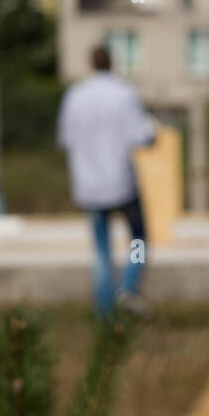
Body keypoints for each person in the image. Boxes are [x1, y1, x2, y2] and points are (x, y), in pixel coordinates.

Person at [57, 45, 156, 318]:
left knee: (101, 252)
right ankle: (127, 288)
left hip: (89, 185)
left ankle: (104, 317)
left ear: (91, 64)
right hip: (121, 182)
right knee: (139, 238)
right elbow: (143, 136)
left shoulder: (75, 96)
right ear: (112, 63)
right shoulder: (124, 94)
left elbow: (65, 138)